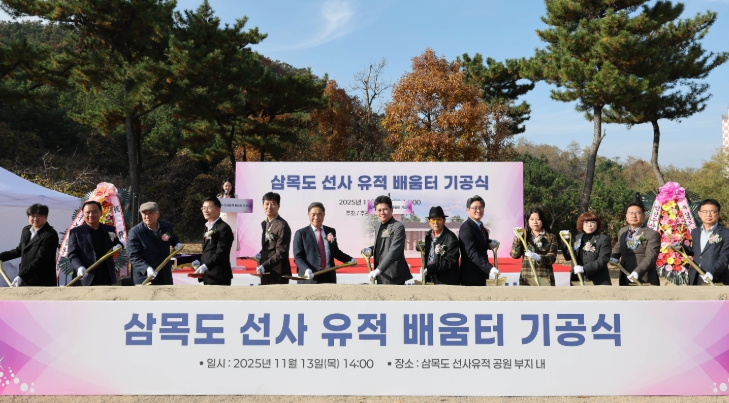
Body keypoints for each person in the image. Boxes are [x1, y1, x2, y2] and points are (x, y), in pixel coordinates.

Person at [293, 202, 356, 284]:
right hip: (310, 277)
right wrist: (306, 269)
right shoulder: (301, 233)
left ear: (324, 215)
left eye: (319, 214)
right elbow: (298, 257)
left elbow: (335, 252)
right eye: (313, 214)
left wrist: (349, 259)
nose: (316, 217)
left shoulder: (330, 231)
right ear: (308, 215)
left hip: (328, 276)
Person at [0, 203, 59, 287]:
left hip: (41, 281)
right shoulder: (26, 230)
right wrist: (1, 257)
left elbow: (41, 259)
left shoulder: (50, 234)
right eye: (32, 216)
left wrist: (22, 276)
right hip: (24, 279)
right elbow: (20, 250)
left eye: (39, 216)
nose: (35, 219)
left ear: (46, 216)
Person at [68, 200, 124, 286]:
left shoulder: (109, 229)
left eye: (94, 211)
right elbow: (72, 254)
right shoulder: (76, 232)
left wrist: (119, 246)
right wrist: (79, 267)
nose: (91, 215)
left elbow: (117, 243)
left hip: (106, 277)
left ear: (100, 213)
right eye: (88, 212)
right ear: (83, 214)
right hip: (85, 277)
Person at [127, 202, 181, 285]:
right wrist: (146, 268)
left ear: (158, 214)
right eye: (144, 214)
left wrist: (177, 243)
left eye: (151, 213)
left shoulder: (166, 227)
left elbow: (173, 238)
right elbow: (134, 256)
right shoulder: (135, 232)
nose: (147, 216)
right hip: (145, 277)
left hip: (165, 275)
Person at [361, 195, 411, 285]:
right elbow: (381, 246)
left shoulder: (398, 227)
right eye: (379, 210)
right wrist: (370, 249)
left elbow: (394, 250)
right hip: (379, 274)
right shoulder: (377, 226)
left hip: (393, 274)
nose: (382, 213)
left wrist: (378, 270)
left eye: (385, 209)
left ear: (391, 210)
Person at [611, 202, 661, 286]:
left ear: (643, 216)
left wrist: (638, 272)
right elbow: (618, 246)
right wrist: (614, 256)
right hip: (624, 276)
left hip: (644, 278)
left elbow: (651, 257)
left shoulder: (652, 234)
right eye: (630, 213)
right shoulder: (622, 231)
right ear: (626, 216)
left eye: (637, 213)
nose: (633, 216)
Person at [681, 199, 729, 285]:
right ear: (699, 214)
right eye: (705, 212)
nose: (708, 215)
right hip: (695, 277)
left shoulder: (726, 233)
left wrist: (712, 272)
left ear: (718, 213)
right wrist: (680, 247)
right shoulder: (695, 232)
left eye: (712, 211)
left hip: (715, 278)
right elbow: (697, 252)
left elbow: (724, 257)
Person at [559, 212, 612, 286]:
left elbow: (603, 260)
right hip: (577, 280)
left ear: (597, 224)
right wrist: (564, 241)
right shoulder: (576, 238)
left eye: (593, 222)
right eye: (586, 222)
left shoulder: (603, 239)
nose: (589, 225)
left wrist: (584, 268)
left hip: (597, 281)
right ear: (582, 224)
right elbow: (568, 256)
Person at [192, 197, 235, 285]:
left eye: (209, 207)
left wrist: (206, 265)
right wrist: (200, 261)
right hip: (208, 275)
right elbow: (208, 250)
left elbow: (222, 252)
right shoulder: (207, 227)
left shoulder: (224, 228)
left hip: (219, 275)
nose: (205, 210)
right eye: (203, 208)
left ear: (218, 209)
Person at [510, 207, 558, 286]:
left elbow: (552, 257)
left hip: (544, 277)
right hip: (526, 279)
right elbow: (514, 255)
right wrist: (518, 238)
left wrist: (539, 258)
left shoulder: (551, 237)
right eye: (532, 219)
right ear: (527, 221)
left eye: (538, 219)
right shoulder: (524, 236)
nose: (535, 222)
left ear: (542, 220)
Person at [459, 196, 498, 286]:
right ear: (468, 210)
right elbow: (472, 253)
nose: (478, 210)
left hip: (482, 274)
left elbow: (479, 242)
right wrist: (489, 268)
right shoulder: (466, 228)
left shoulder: (480, 226)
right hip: (471, 276)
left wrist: (489, 243)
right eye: (475, 208)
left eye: (481, 207)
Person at [255, 192, 292, 285]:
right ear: (263, 205)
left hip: (278, 273)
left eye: (273, 204)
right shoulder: (264, 223)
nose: (269, 207)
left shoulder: (282, 225)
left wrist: (264, 266)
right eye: (267, 204)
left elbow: (281, 252)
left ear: (278, 206)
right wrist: (260, 254)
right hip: (266, 272)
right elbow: (268, 246)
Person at [422, 206, 460, 285]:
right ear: (429, 221)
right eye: (433, 220)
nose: (435, 222)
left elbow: (449, 261)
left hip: (445, 282)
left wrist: (432, 268)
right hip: (430, 279)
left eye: (439, 219)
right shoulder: (428, 235)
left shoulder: (451, 238)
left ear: (444, 220)